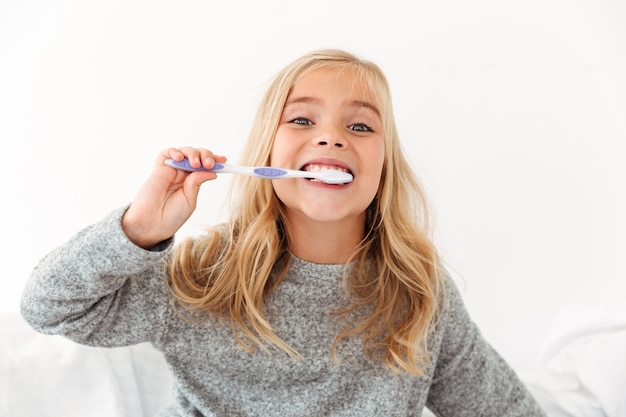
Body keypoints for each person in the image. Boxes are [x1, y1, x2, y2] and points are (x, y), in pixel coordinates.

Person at [21, 49, 546, 416]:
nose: (332, 138)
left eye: (360, 126)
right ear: (267, 156)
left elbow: (500, 408)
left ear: (384, 168)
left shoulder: (420, 294)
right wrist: (137, 230)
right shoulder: (201, 279)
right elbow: (48, 308)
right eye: (301, 121)